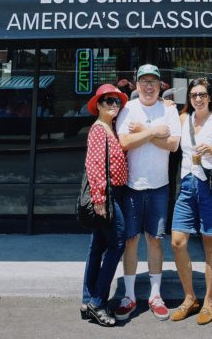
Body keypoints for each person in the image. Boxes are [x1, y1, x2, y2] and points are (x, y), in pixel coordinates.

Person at [115, 64, 181, 321]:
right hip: (132, 186)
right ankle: (129, 295)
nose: (149, 86)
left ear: (160, 85)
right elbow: (124, 142)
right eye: (144, 81)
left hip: (159, 186)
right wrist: (153, 131)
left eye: (153, 81)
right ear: (137, 84)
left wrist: (141, 132)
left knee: (155, 239)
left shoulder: (168, 109)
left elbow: (173, 144)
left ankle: (155, 295)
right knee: (131, 240)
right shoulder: (128, 109)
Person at [169, 78, 212, 325]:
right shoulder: (183, 119)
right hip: (187, 185)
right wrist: (165, 103)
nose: (198, 99)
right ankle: (189, 298)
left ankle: (208, 301)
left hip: (209, 188)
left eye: (202, 95)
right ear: (189, 98)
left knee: (210, 243)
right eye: (194, 95)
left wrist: (211, 150)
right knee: (177, 242)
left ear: (209, 97)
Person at [81, 83, 129, 327]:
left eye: (117, 101)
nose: (114, 105)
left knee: (97, 245)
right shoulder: (99, 129)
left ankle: (87, 299)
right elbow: (95, 165)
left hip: (114, 193)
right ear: (98, 105)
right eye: (109, 101)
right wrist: (99, 199)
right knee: (118, 242)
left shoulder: (111, 128)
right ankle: (98, 302)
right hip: (107, 195)